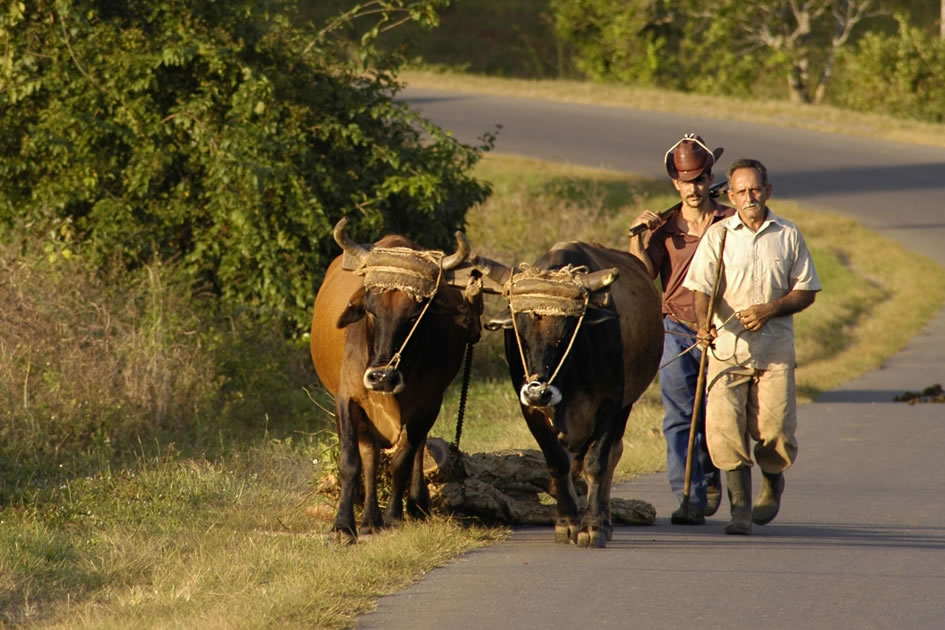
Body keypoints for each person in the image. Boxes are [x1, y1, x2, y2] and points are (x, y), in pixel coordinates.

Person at [684, 158, 821, 535]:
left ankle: (772, 483)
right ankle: (739, 509)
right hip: (726, 350)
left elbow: (806, 290)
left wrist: (771, 309)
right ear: (730, 195)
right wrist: (702, 327)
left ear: (768, 191)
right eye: (741, 191)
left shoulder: (788, 234)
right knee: (724, 428)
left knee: (775, 430)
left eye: (755, 190)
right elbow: (701, 289)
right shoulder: (719, 235)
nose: (749, 197)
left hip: (775, 351)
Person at [628, 133, 735, 525]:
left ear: (710, 178)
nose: (694, 188)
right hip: (675, 329)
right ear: (676, 182)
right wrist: (637, 239)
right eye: (686, 181)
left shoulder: (729, 222)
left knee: (717, 412)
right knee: (679, 415)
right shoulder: (664, 228)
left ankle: (711, 476)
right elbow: (643, 276)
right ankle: (687, 495)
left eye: (701, 179)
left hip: (724, 329)